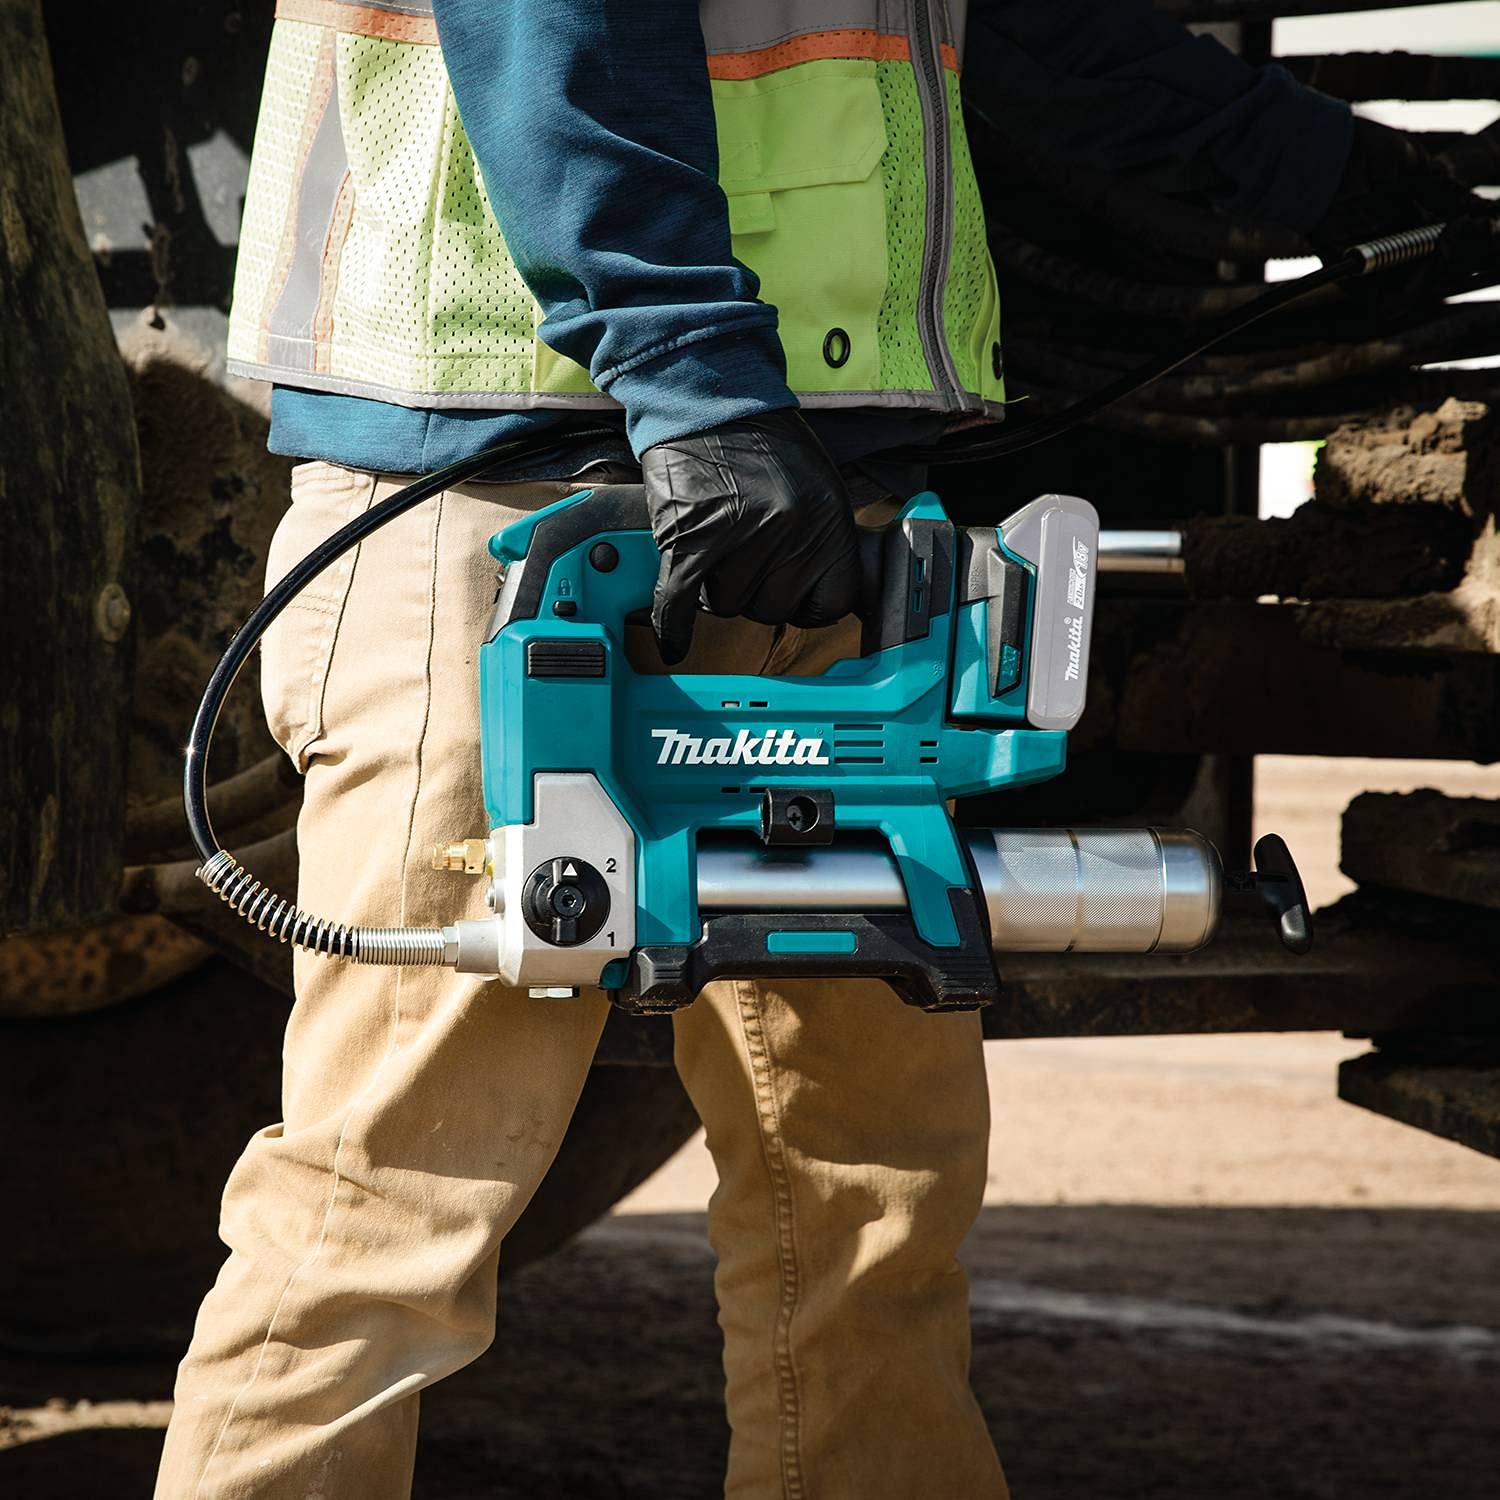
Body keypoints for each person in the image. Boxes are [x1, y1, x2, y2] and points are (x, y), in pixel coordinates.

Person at [155, 4, 1482, 1495]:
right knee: (389, 1208)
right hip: (510, 508)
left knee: (869, 1208)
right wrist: (696, 381)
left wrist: (1329, 173)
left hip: (818, 516)